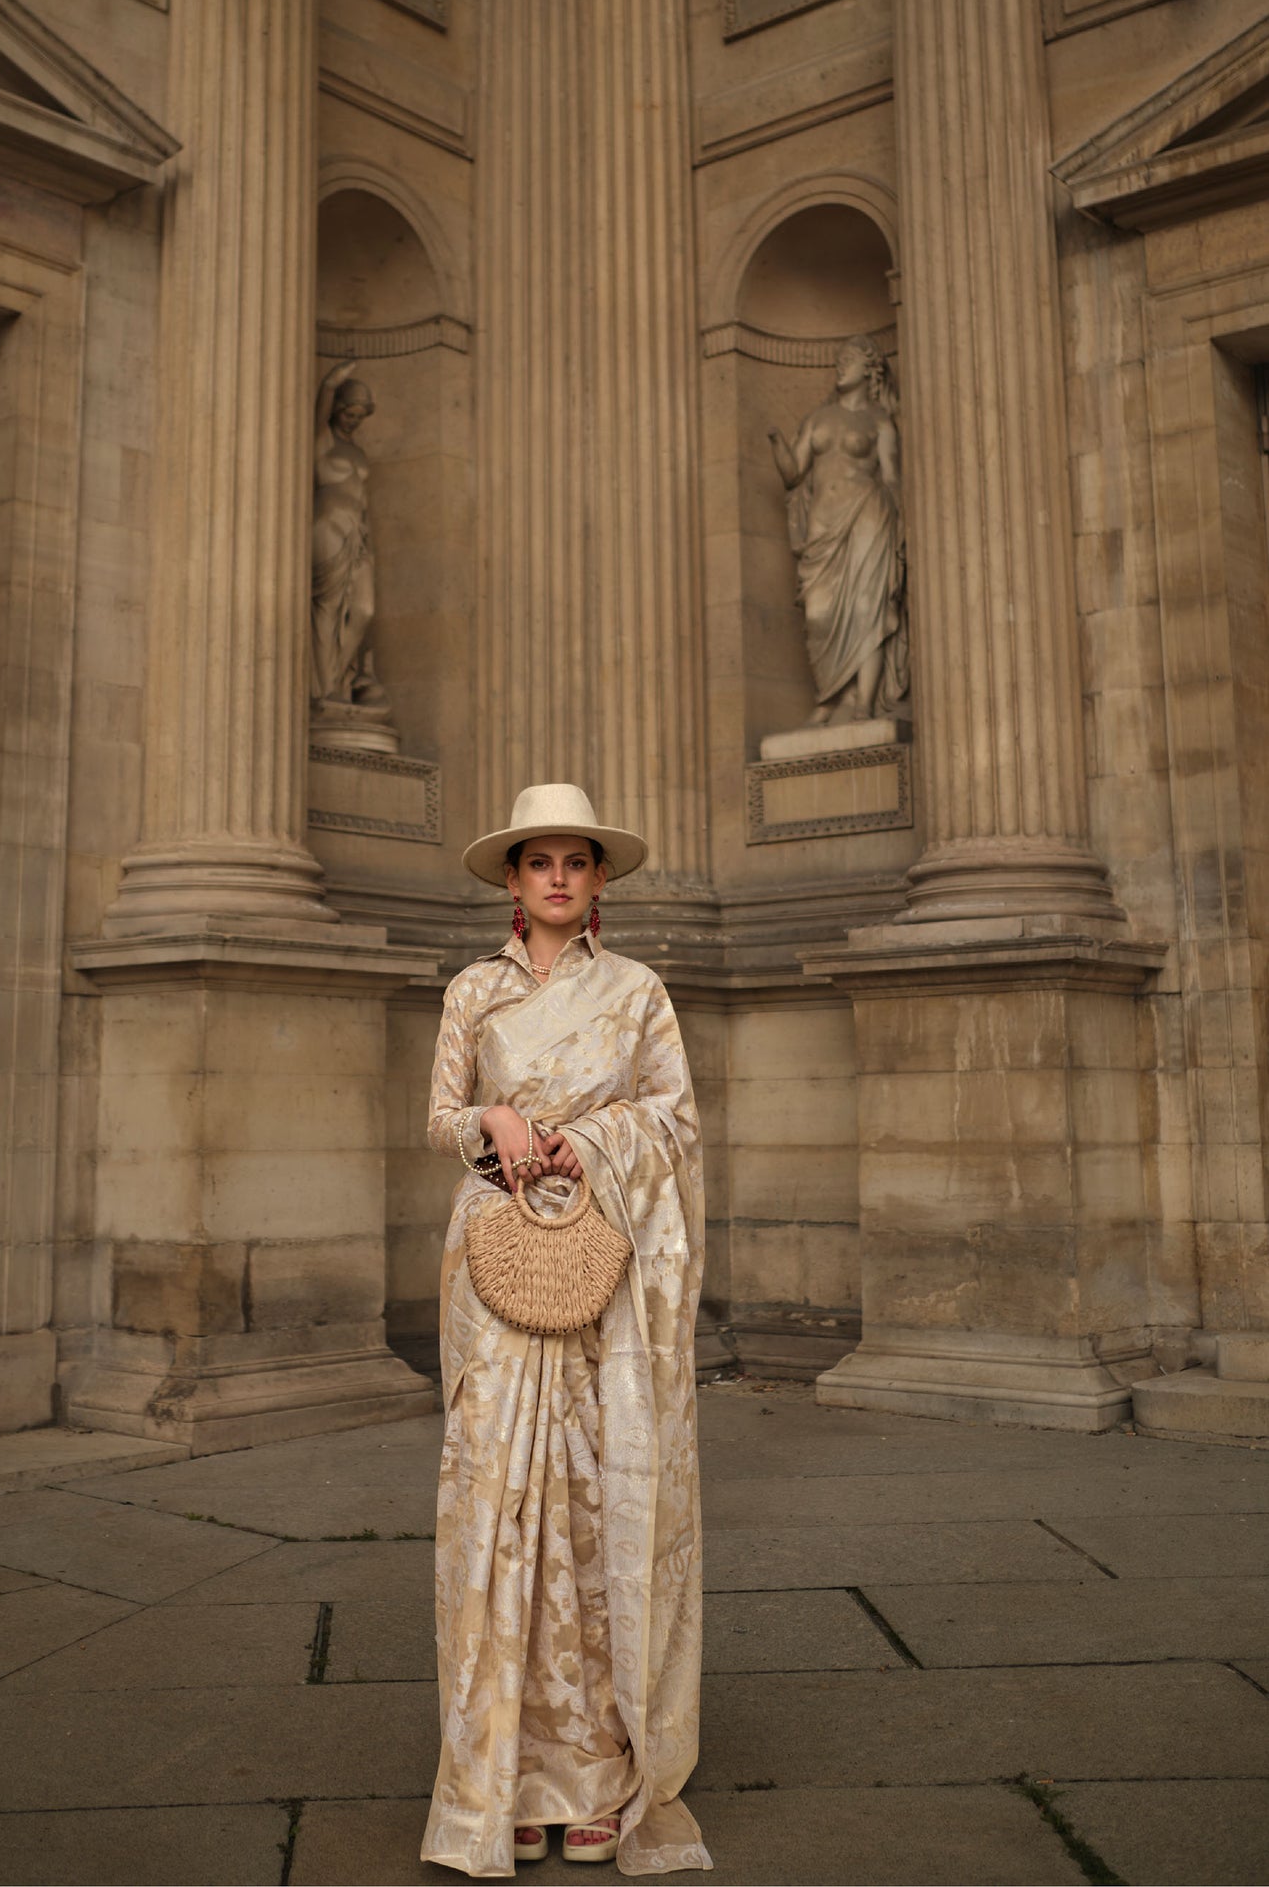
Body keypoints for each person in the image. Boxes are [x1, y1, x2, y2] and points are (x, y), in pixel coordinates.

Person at [421, 784, 711, 1879]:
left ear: (595, 882)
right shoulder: (469, 993)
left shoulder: (637, 992)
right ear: (511, 880)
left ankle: (592, 1773)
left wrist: (587, 1142)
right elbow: (438, 1113)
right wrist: (489, 1125)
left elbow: (674, 1119)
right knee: (495, 1499)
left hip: (605, 1264)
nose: (554, 877)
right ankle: (495, 1778)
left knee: (596, 1501)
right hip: (493, 1263)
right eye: (536, 861)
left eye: (573, 862)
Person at [767, 333, 908, 727]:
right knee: (819, 613)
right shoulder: (818, 419)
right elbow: (794, 473)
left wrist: (900, 531)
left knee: (869, 608)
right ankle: (830, 694)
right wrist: (777, 441)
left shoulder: (879, 421)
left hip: (868, 513)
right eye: (839, 358)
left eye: (849, 358)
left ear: (871, 368)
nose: (840, 364)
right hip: (824, 525)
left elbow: (892, 476)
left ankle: (863, 704)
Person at [311, 359, 392, 714]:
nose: (354, 420)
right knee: (328, 608)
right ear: (338, 410)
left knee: (363, 609)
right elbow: (320, 410)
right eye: (349, 412)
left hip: (358, 532)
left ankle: (339, 676)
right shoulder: (322, 441)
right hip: (328, 526)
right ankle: (325, 687)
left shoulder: (357, 451)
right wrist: (331, 382)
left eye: (360, 415)